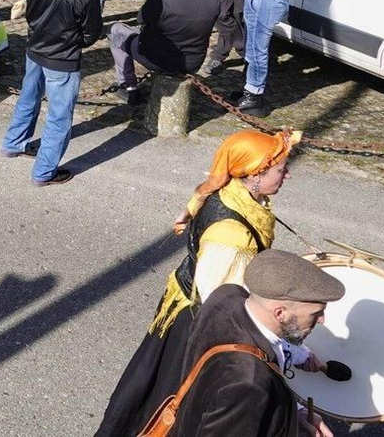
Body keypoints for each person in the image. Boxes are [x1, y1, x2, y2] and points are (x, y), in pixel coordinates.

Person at [95, 129, 304, 437]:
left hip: (190, 304)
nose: (287, 175)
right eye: (280, 169)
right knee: (178, 404)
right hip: (197, 326)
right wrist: (285, 351)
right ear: (255, 174)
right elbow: (223, 306)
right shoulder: (231, 235)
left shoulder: (234, 192)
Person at [170, 250, 343, 437]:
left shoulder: (227, 296)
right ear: (280, 314)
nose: (322, 320)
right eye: (316, 313)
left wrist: (295, 413)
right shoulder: (249, 383)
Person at [1, 0, 102, 185]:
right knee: (59, 115)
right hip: (63, 59)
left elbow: (29, 8)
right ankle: (44, 171)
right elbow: (91, 33)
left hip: (35, 49)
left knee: (28, 98)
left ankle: (14, 143)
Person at [108, 0, 220, 103]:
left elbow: (141, 18)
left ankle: (128, 87)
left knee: (115, 30)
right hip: (193, 62)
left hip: (158, 58)